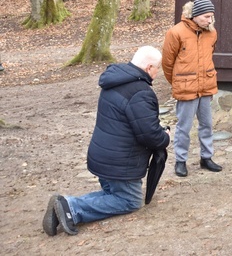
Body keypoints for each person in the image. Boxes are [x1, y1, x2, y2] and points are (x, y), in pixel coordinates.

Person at [42, 46, 169, 236]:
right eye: (158, 68)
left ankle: (62, 207)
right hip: (120, 163)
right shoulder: (140, 91)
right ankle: (71, 207)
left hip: (102, 157)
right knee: (129, 201)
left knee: (112, 195)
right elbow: (149, 134)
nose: (157, 73)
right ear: (149, 67)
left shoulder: (114, 79)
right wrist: (165, 136)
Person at [162, 0, 222, 177]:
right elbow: (167, 63)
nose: (210, 20)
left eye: (211, 16)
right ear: (195, 14)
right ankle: (180, 161)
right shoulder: (176, 32)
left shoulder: (212, 33)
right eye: (206, 16)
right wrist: (179, 83)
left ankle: (206, 157)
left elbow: (209, 56)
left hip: (206, 86)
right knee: (184, 127)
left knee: (207, 124)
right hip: (185, 88)